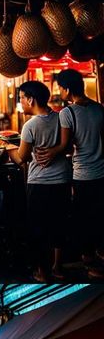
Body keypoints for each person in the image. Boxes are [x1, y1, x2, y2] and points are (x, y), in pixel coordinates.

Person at [14, 79, 72, 281]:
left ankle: (42, 271)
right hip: (63, 179)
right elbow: (68, 147)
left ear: (31, 99)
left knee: (38, 227)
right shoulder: (61, 118)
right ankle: (58, 267)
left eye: (21, 98)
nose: (20, 102)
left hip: (39, 182)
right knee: (60, 223)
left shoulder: (30, 126)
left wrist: (7, 149)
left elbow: (21, 157)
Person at [51, 69, 104, 277]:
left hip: (82, 174)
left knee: (83, 218)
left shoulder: (68, 113)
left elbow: (65, 146)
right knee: (98, 216)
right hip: (101, 172)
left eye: (60, 88)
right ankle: (98, 254)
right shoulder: (99, 109)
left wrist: (48, 151)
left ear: (66, 89)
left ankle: (89, 261)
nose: (59, 92)